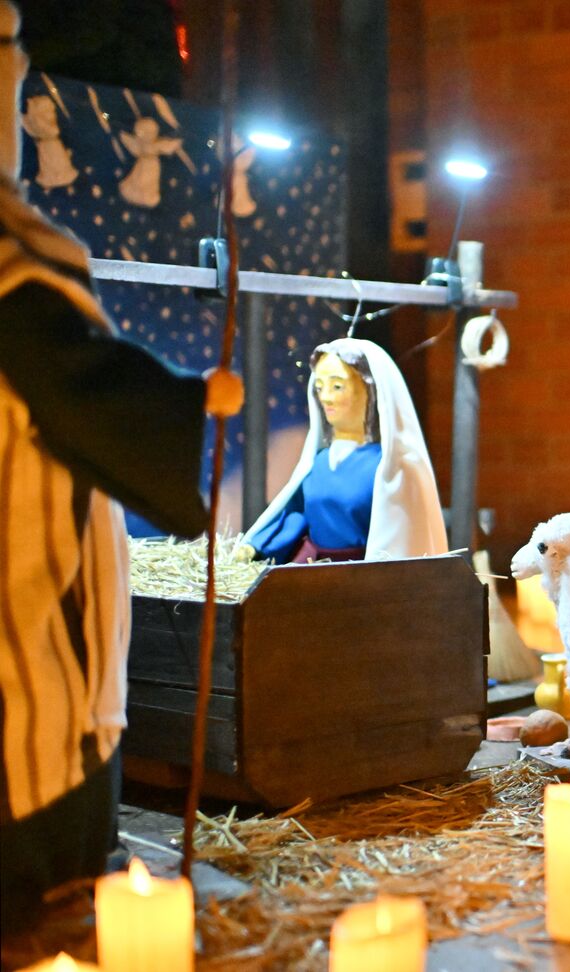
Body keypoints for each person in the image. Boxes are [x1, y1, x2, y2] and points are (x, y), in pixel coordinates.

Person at [0, 0, 243, 935]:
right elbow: (89, 397)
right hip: (28, 720)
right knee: (47, 919)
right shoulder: (16, 279)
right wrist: (193, 403)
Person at [238, 337, 447, 563]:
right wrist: (256, 547)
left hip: (358, 574)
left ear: (370, 389)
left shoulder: (390, 467)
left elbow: (402, 539)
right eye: (320, 387)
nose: (326, 397)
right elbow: (295, 514)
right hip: (310, 569)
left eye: (337, 386)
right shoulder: (318, 462)